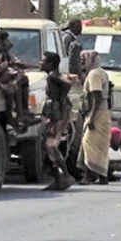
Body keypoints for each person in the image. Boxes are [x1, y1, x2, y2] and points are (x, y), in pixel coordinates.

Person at [40, 52, 76, 191]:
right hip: (56, 112)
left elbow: (67, 84)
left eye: (43, 61)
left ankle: (65, 176)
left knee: (51, 146)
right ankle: (59, 178)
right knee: (49, 147)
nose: (40, 63)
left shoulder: (53, 76)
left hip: (56, 114)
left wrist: (61, 98)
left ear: (51, 64)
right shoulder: (53, 76)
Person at [77, 50, 113, 185]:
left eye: (84, 58)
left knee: (89, 145)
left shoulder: (94, 74)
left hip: (97, 114)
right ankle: (102, 176)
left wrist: (92, 118)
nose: (82, 61)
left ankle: (88, 176)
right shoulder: (100, 72)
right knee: (99, 146)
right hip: (102, 113)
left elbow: (96, 96)